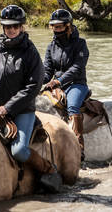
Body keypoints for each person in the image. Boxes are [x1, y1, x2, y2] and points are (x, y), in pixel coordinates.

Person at [0, 5, 62, 192]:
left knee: (19, 151)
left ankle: (48, 170)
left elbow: (33, 87)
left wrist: (7, 108)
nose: (12, 30)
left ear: (21, 27)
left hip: (22, 110)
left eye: (15, 26)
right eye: (8, 27)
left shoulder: (30, 52)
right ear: (3, 28)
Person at [42, 9, 89, 157]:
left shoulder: (81, 44)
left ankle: (78, 147)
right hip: (57, 85)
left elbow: (77, 67)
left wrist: (59, 81)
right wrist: (35, 82)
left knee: (72, 106)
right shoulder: (51, 47)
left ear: (68, 26)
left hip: (77, 84)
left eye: (59, 27)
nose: (56, 30)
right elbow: (47, 71)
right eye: (54, 27)